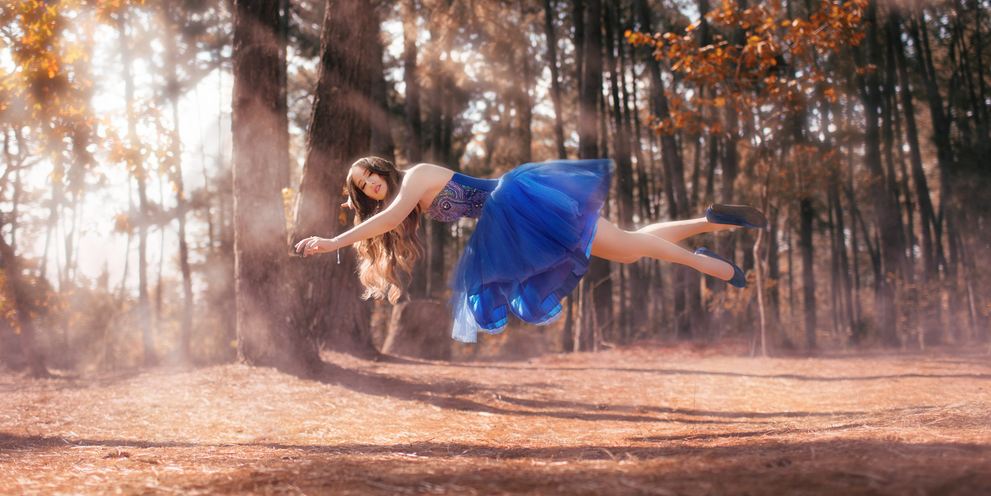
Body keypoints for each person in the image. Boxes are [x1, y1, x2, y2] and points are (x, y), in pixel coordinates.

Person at [294, 157, 767, 342]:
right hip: (518, 213)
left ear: (383, 169)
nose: (373, 186)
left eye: (371, 176)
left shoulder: (415, 177)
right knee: (626, 245)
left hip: (521, 203)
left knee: (626, 246)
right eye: (364, 187)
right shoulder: (406, 203)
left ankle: (707, 263)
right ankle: (712, 220)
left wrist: (334, 241)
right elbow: (390, 221)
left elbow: (391, 217)